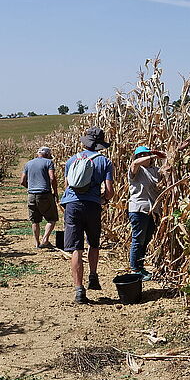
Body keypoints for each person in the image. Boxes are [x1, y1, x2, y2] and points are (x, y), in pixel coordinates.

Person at [61, 126, 114, 304]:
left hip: (72, 205)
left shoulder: (71, 160)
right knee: (94, 243)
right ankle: (92, 275)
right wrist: (103, 199)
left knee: (76, 248)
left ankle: (79, 290)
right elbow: (109, 191)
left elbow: (67, 185)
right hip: (92, 206)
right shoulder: (104, 162)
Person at [128, 145, 167, 280]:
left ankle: (140, 267)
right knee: (138, 240)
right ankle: (135, 269)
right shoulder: (136, 171)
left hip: (153, 210)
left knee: (146, 239)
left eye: (145, 155)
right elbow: (134, 163)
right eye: (140, 155)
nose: (143, 158)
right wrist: (153, 155)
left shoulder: (155, 171)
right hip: (139, 209)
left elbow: (168, 168)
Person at [21, 147, 60, 249]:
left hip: (31, 195)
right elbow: (52, 177)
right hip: (44, 194)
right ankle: (45, 240)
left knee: (35, 220)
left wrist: (31, 187)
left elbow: (22, 181)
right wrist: (55, 192)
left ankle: (37, 243)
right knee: (52, 218)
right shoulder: (48, 162)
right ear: (47, 154)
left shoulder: (28, 164)